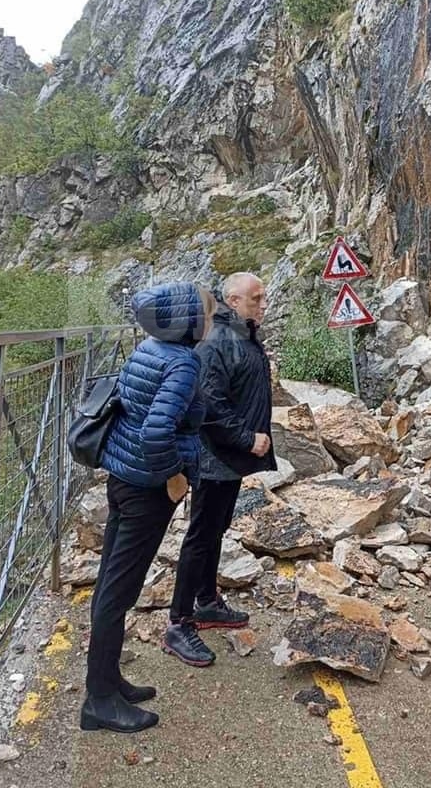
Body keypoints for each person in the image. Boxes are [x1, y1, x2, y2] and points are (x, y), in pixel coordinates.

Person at [80, 281, 215, 734]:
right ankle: (99, 702)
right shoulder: (183, 363)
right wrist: (174, 479)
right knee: (119, 591)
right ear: (187, 321)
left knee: (110, 585)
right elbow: (156, 432)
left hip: (124, 479)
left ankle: (109, 679)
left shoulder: (150, 349)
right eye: (207, 314)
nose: (212, 322)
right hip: (146, 490)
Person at [163, 272, 276, 666]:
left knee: (214, 531)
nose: (263, 305)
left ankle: (207, 601)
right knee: (200, 536)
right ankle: (179, 624)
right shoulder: (219, 340)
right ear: (232, 300)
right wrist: (247, 439)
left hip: (226, 459)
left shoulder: (240, 332)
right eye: (256, 299)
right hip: (214, 456)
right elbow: (210, 403)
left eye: (263, 298)